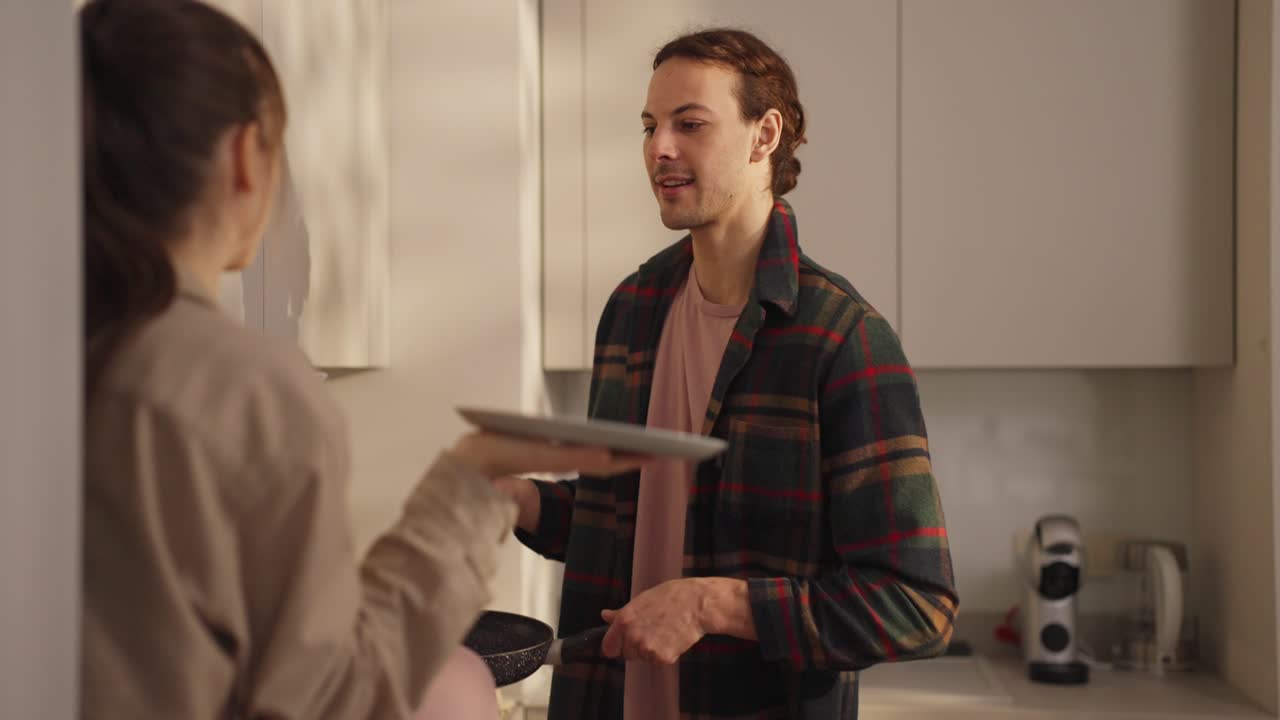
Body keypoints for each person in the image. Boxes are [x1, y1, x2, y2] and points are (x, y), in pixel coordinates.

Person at [78, 1, 645, 718]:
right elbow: (339, 698)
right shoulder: (244, 387)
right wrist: (470, 478)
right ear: (244, 159)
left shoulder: (63, 361)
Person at [500, 28, 958, 718]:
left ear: (763, 135)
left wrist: (715, 605)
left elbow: (917, 605)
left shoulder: (840, 338)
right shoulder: (632, 311)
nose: (659, 148)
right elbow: (627, 519)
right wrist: (517, 500)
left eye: (690, 124)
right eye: (651, 126)